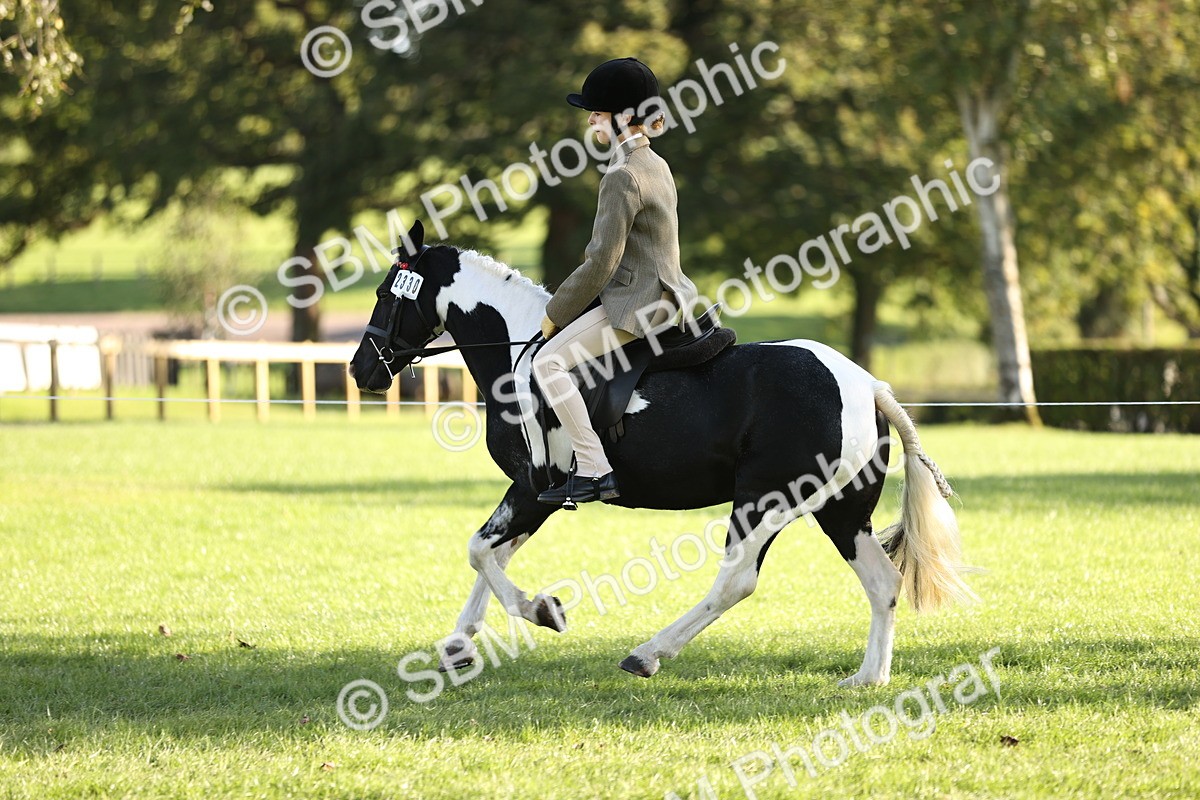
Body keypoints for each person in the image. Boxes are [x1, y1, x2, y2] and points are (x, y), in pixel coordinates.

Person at [533, 57, 700, 508]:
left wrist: (554, 316)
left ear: (623, 116)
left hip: (639, 303)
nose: (589, 119)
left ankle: (594, 468)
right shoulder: (655, 164)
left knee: (546, 364)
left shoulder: (622, 176)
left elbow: (599, 264)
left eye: (597, 111)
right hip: (672, 294)